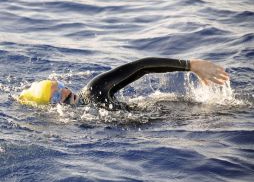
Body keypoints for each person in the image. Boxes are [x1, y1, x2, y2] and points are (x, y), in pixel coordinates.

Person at [18, 57, 229, 110]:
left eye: (61, 85)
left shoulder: (93, 92)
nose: (64, 91)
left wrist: (190, 65)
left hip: (179, 112)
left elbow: (141, 66)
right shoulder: (72, 123)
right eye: (56, 95)